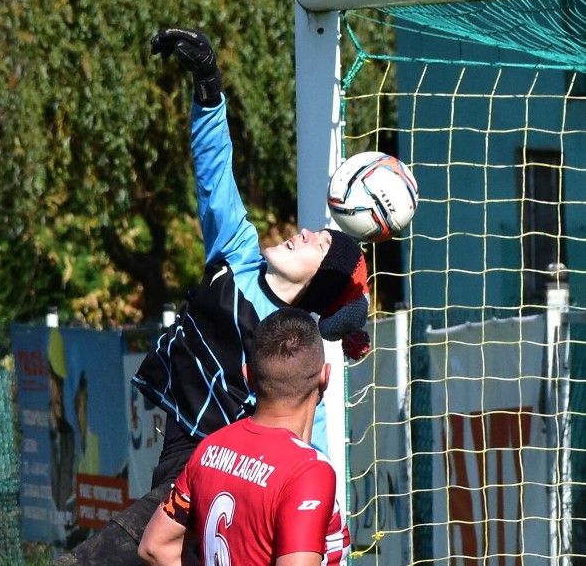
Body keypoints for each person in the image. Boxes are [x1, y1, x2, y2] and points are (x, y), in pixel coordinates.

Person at [53, 28, 368, 566]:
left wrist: (318, 512)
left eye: (318, 243)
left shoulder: (289, 346)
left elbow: (302, 441)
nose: (303, 232)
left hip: (213, 469)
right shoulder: (235, 254)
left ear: (320, 281)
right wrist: (208, 86)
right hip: (182, 455)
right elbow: (215, 172)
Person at [138, 307, 350, 565]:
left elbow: (155, 547)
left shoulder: (210, 449)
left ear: (248, 376)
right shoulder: (307, 472)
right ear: (325, 377)